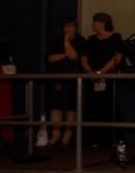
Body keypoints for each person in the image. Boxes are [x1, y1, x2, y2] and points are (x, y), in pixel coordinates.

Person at [81, 12, 123, 147]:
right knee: (93, 108)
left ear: (103, 23)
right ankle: (94, 139)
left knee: (109, 107)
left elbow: (117, 57)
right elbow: (84, 59)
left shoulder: (116, 38)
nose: (92, 24)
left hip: (108, 79)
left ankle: (111, 139)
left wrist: (102, 72)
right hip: (93, 80)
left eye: (95, 22)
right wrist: (91, 73)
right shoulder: (91, 40)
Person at [45, 18, 85, 147]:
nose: (69, 29)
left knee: (70, 108)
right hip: (56, 77)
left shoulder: (80, 40)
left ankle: (66, 139)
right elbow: (51, 58)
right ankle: (55, 136)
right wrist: (64, 54)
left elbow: (74, 56)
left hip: (72, 80)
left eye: (72, 26)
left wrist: (67, 43)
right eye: (66, 26)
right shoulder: (56, 39)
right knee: (55, 107)